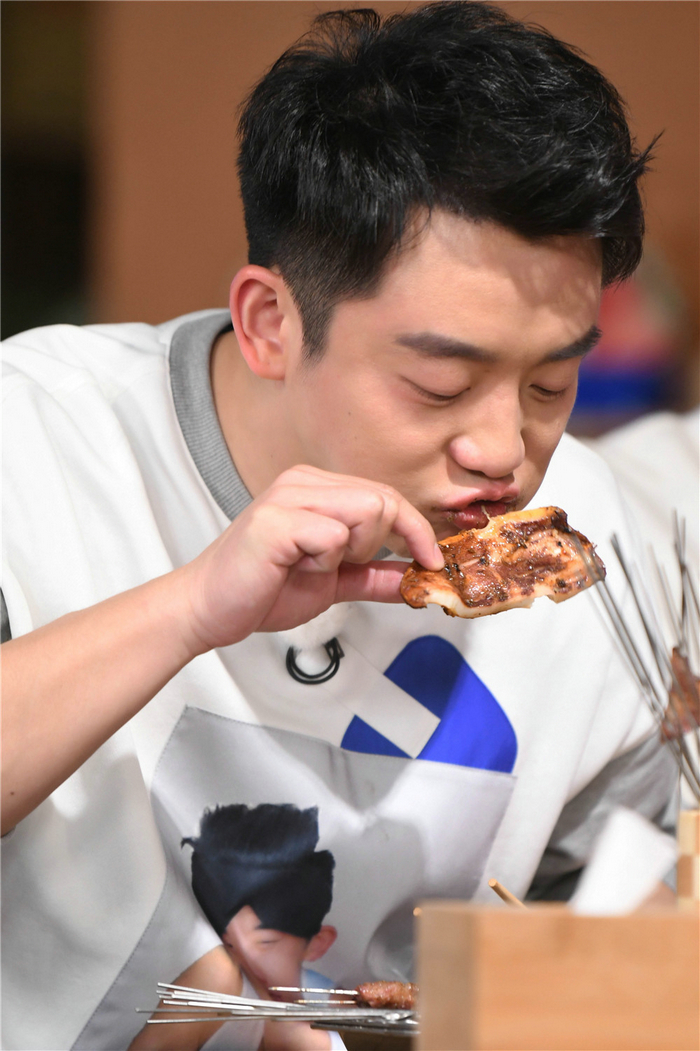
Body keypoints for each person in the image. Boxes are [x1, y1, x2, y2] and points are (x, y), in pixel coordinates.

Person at [2, 4, 676, 1048]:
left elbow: (623, 929)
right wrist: (190, 608)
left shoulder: (584, 547)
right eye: (440, 385)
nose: (504, 450)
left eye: (551, 383)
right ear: (271, 323)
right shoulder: (38, 440)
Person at [130, 804, 340, 1050]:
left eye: (266, 943)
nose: (248, 962)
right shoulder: (215, 981)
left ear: (318, 942)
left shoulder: (332, 1001)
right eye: (230, 944)